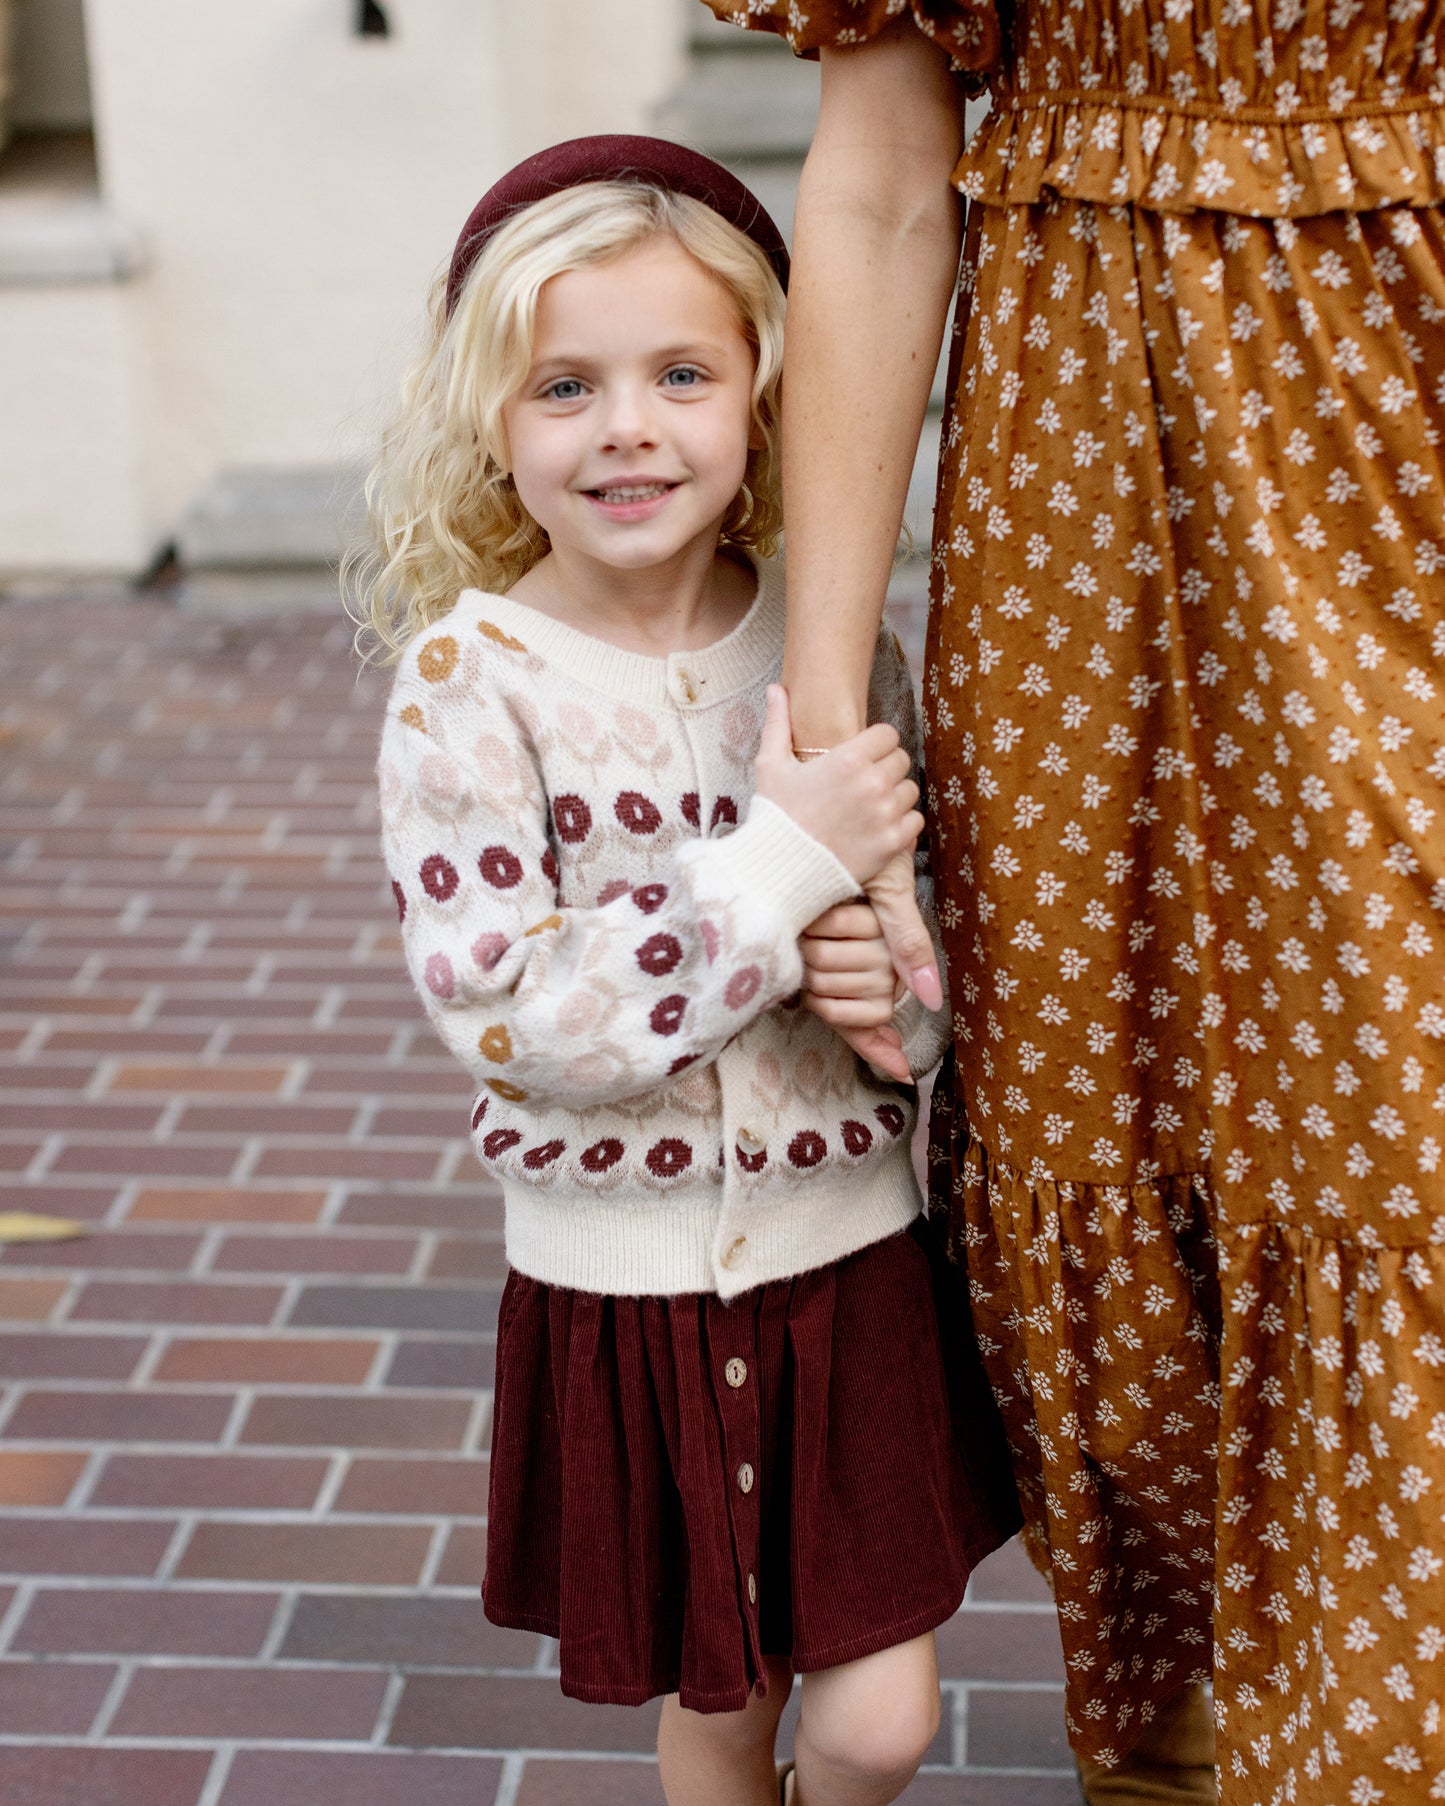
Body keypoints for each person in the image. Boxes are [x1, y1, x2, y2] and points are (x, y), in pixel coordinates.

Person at [700, 5, 1445, 1805]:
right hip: (1074, 526)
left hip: (1399, 463)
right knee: (1100, 1102)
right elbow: (878, 184)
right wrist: (828, 745)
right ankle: (1179, 1733)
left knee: (1393, 1127)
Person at [353, 136, 1020, 1806]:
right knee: (724, 1710)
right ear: (491, 426)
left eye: (680, 374)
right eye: (564, 384)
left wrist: (895, 1012)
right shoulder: (468, 682)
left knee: (872, 1722)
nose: (627, 425)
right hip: (629, 1290)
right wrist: (779, 867)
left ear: (762, 404)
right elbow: (519, 1015)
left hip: (846, 1267)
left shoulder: (826, 640)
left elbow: (925, 970)